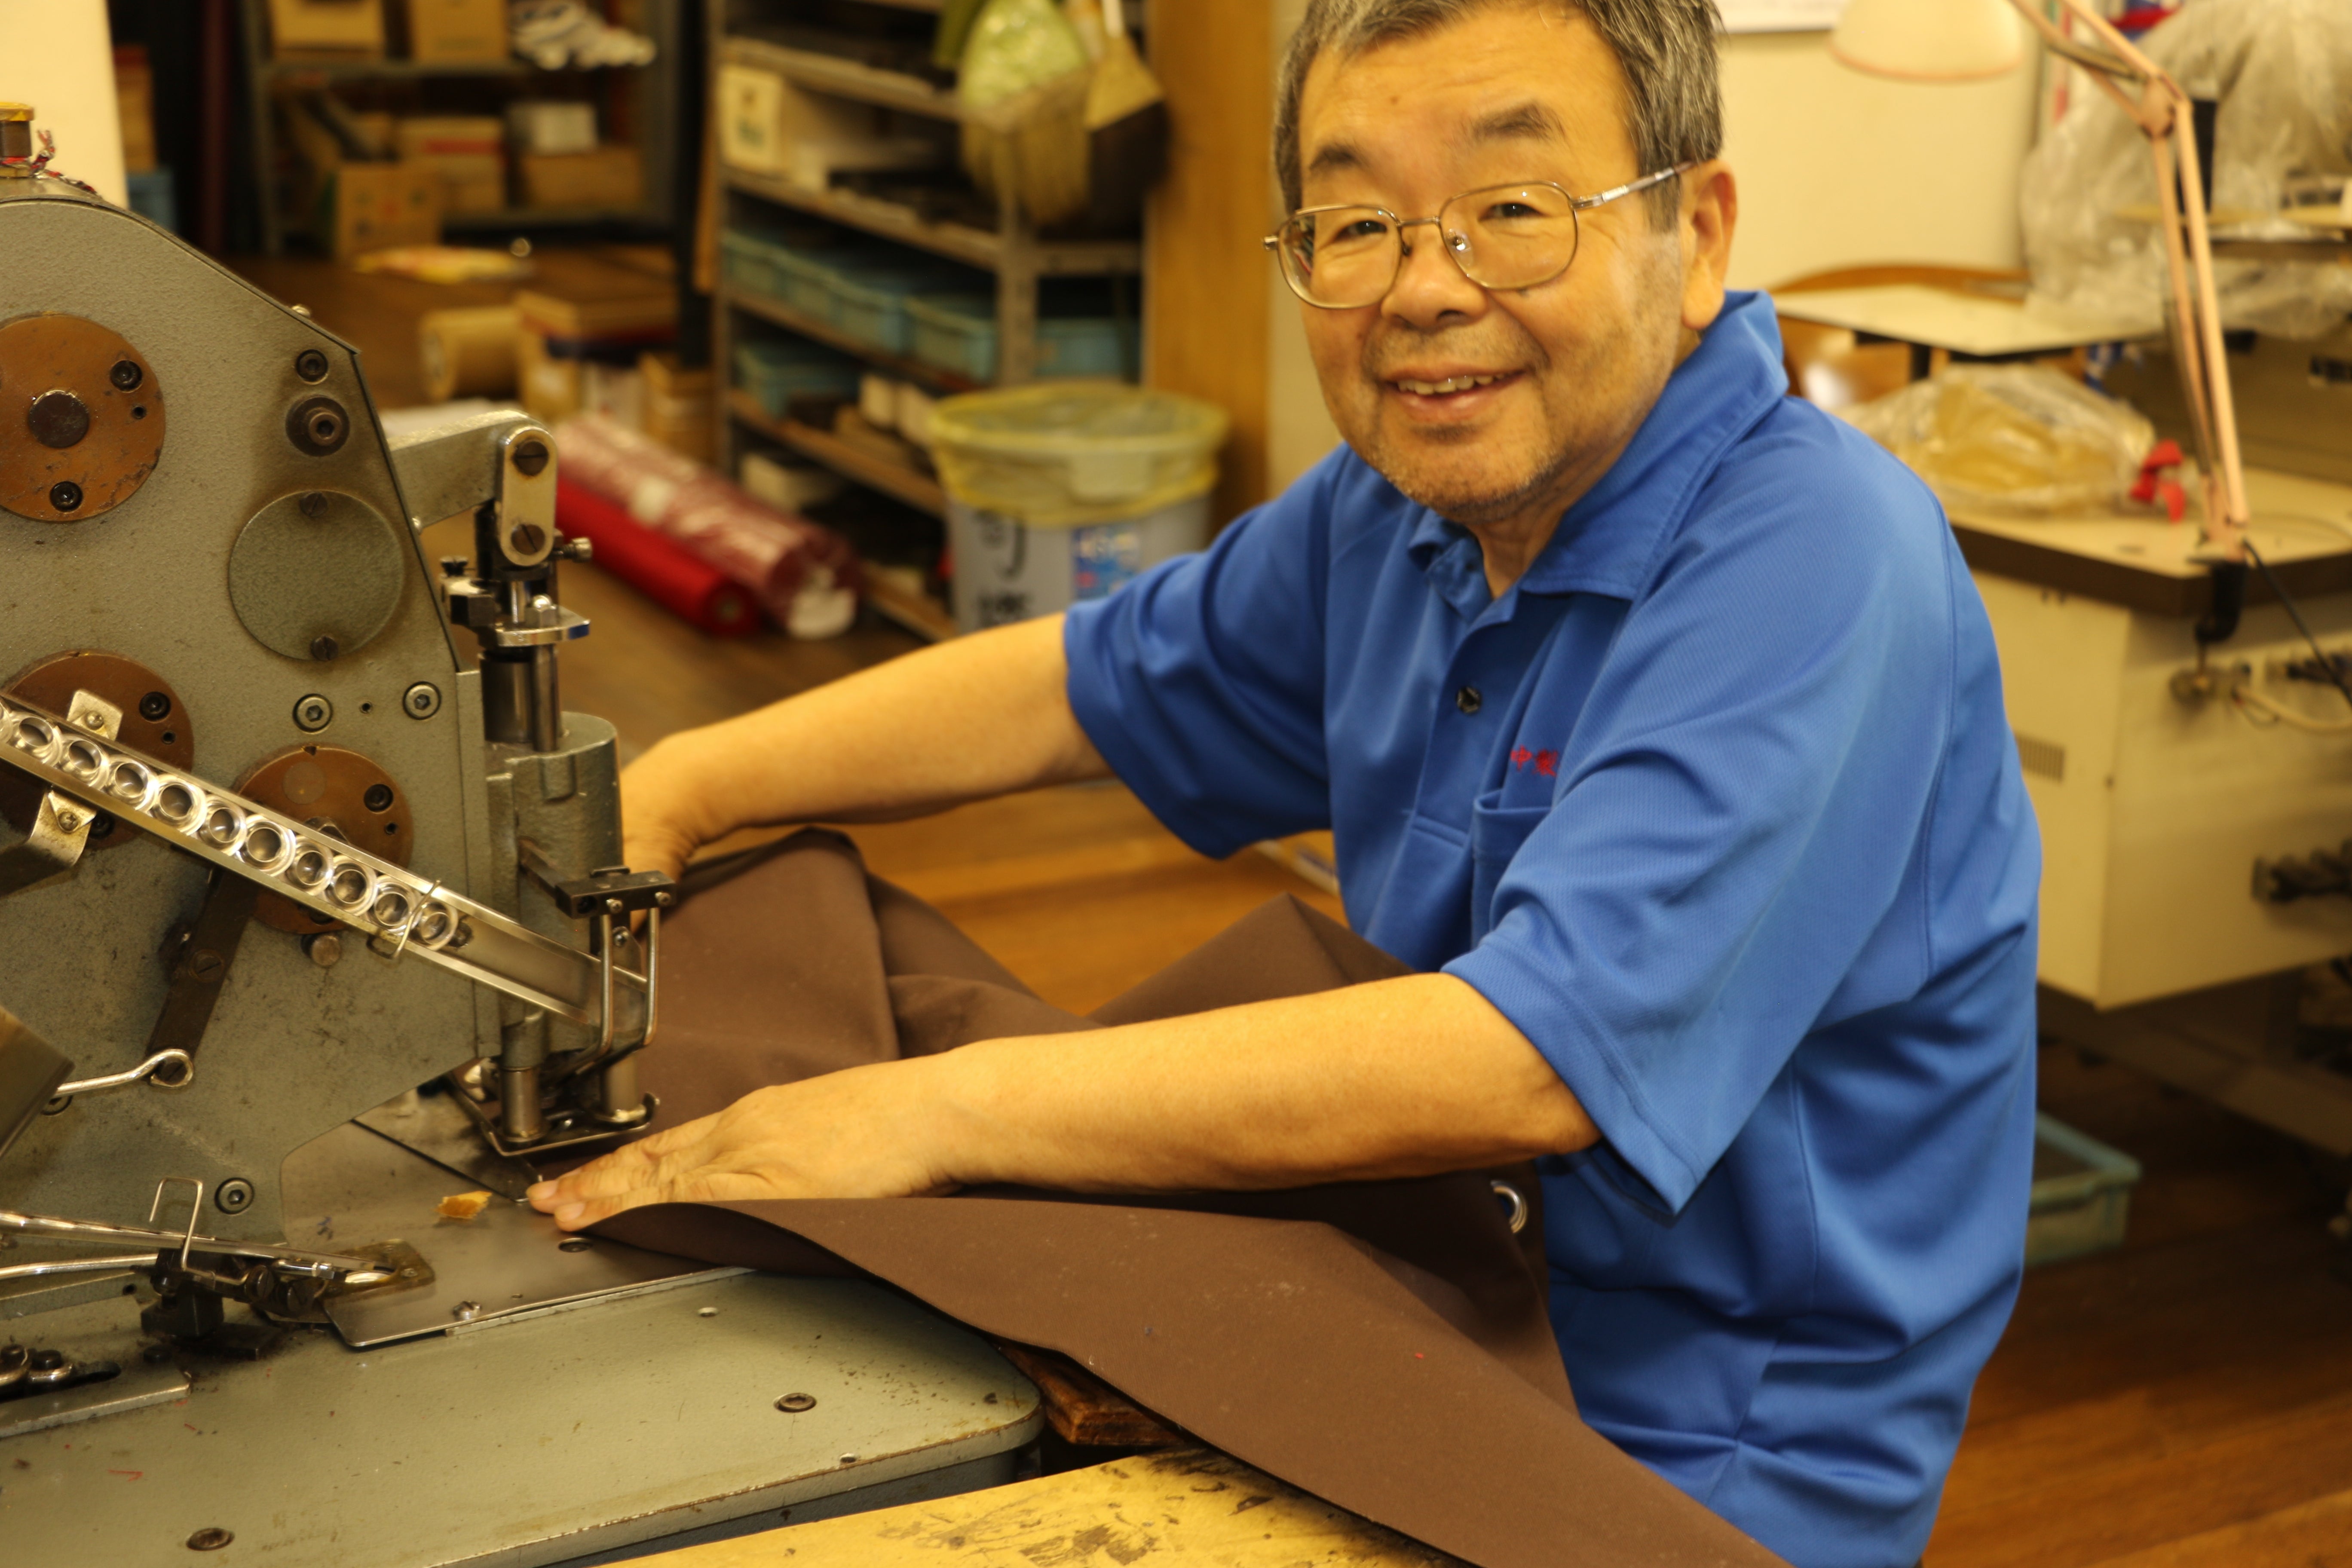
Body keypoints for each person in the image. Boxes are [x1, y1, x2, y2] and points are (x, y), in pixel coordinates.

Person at [529, 2, 2041, 1562]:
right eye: (1357, 224)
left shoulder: (1818, 557)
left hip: (1702, 1444)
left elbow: (1530, 1058)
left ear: (1697, 233)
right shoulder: (1403, 515)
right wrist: (688, 784)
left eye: (1515, 208)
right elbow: (1074, 688)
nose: (1425, 287)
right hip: (1444, 1280)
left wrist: (928, 1117)